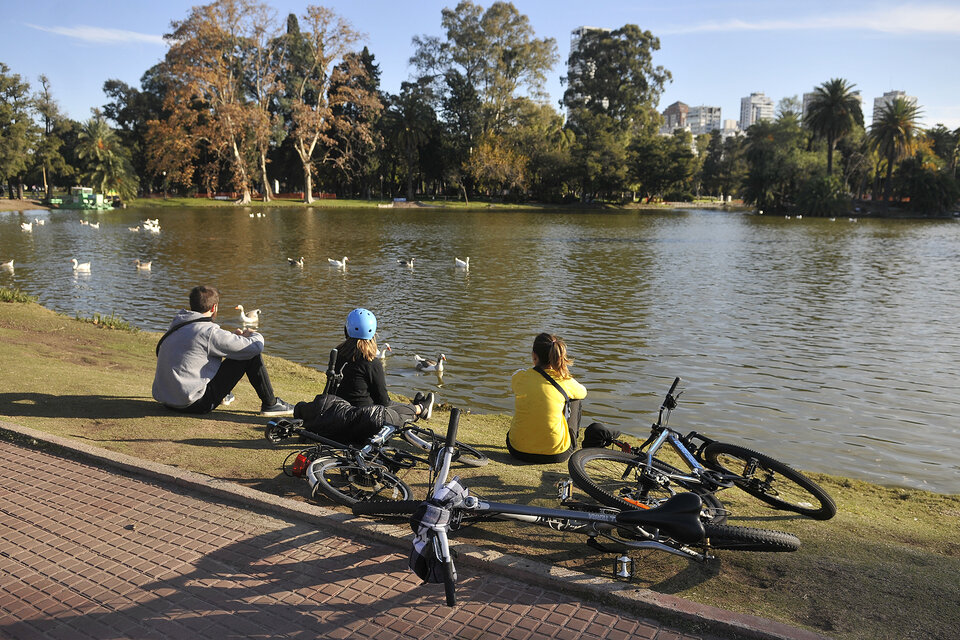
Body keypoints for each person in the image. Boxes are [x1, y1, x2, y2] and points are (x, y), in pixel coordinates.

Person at [152, 285, 293, 416]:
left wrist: (234, 340)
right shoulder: (209, 332)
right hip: (193, 404)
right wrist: (251, 334)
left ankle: (225, 395)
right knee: (250, 354)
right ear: (214, 308)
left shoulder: (178, 323)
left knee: (223, 351)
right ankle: (271, 404)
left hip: (167, 400)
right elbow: (254, 347)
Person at [331, 308, 434, 426]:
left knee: (389, 407)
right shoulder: (372, 363)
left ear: (346, 330)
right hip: (364, 419)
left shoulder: (336, 353)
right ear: (372, 334)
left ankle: (420, 407)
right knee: (395, 413)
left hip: (337, 412)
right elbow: (384, 402)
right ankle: (420, 409)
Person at [506, 333, 588, 463]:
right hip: (555, 454)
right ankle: (571, 440)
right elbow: (583, 392)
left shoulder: (520, 377)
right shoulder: (565, 381)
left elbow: (516, 376)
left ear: (534, 355)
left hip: (517, 450)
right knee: (575, 399)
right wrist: (563, 372)